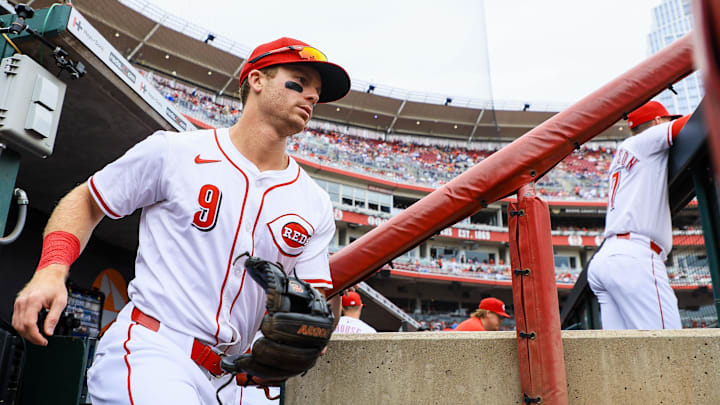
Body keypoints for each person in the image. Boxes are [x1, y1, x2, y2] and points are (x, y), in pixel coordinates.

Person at [11, 37, 351, 404]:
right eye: (298, 82)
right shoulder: (176, 151)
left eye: (317, 94)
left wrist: (313, 331)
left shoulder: (313, 201)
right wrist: (51, 269)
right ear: (256, 80)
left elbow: (316, 296)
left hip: (243, 379)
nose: (311, 97)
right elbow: (88, 200)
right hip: (157, 351)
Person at [588, 100, 691, 330]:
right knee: (669, 349)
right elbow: (691, 122)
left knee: (624, 356)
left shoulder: (622, 154)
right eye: (667, 120)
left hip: (606, 259)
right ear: (656, 123)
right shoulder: (645, 141)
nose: (669, 123)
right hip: (634, 257)